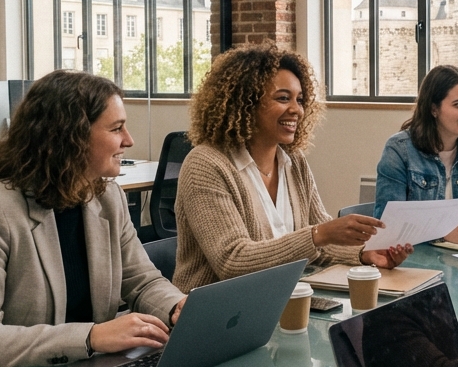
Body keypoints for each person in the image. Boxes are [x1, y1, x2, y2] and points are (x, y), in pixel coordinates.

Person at [0, 70, 188, 367]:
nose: (128, 140)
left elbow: (141, 281)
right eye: (116, 128)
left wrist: (176, 307)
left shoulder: (107, 197)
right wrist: (90, 338)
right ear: (72, 137)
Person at [174, 44, 409, 292]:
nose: (297, 109)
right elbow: (233, 261)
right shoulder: (206, 164)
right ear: (245, 103)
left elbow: (321, 245)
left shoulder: (293, 161)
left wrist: (365, 255)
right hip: (218, 313)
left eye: (300, 99)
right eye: (283, 98)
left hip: (279, 300)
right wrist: (318, 233)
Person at [374, 65, 458, 245]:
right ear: (434, 109)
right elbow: (387, 220)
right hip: (414, 260)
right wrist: (443, 230)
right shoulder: (399, 149)